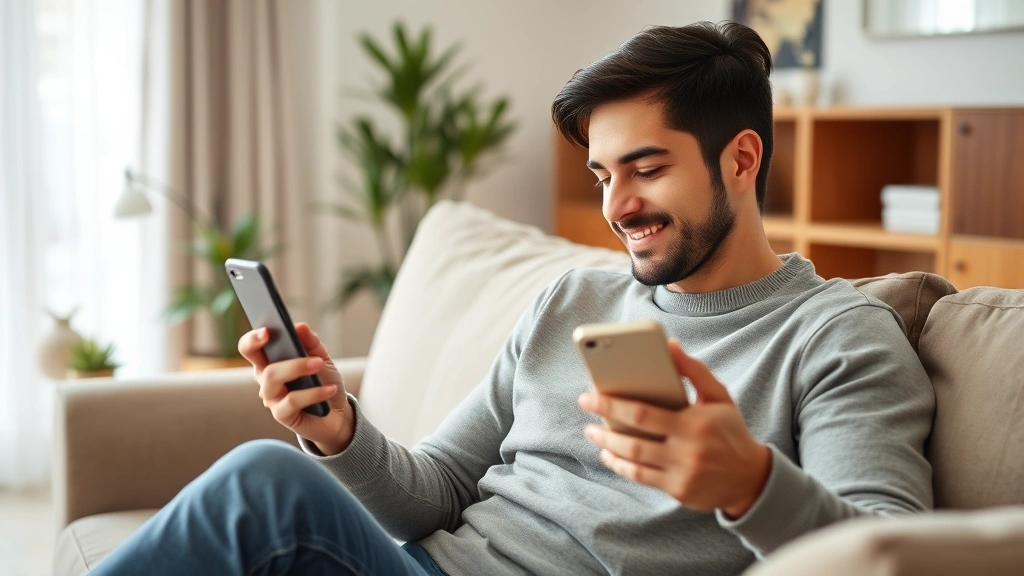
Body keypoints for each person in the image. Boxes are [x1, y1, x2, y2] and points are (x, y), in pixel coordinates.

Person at [92, 21, 934, 576]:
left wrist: (749, 482)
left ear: (742, 160)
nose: (617, 205)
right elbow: (436, 488)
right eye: (604, 175)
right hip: (418, 562)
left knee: (261, 489)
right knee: (279, 475)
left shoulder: (838, 337)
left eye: (647, 169)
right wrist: (338, 430)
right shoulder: (574, 297)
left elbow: (888, 554)